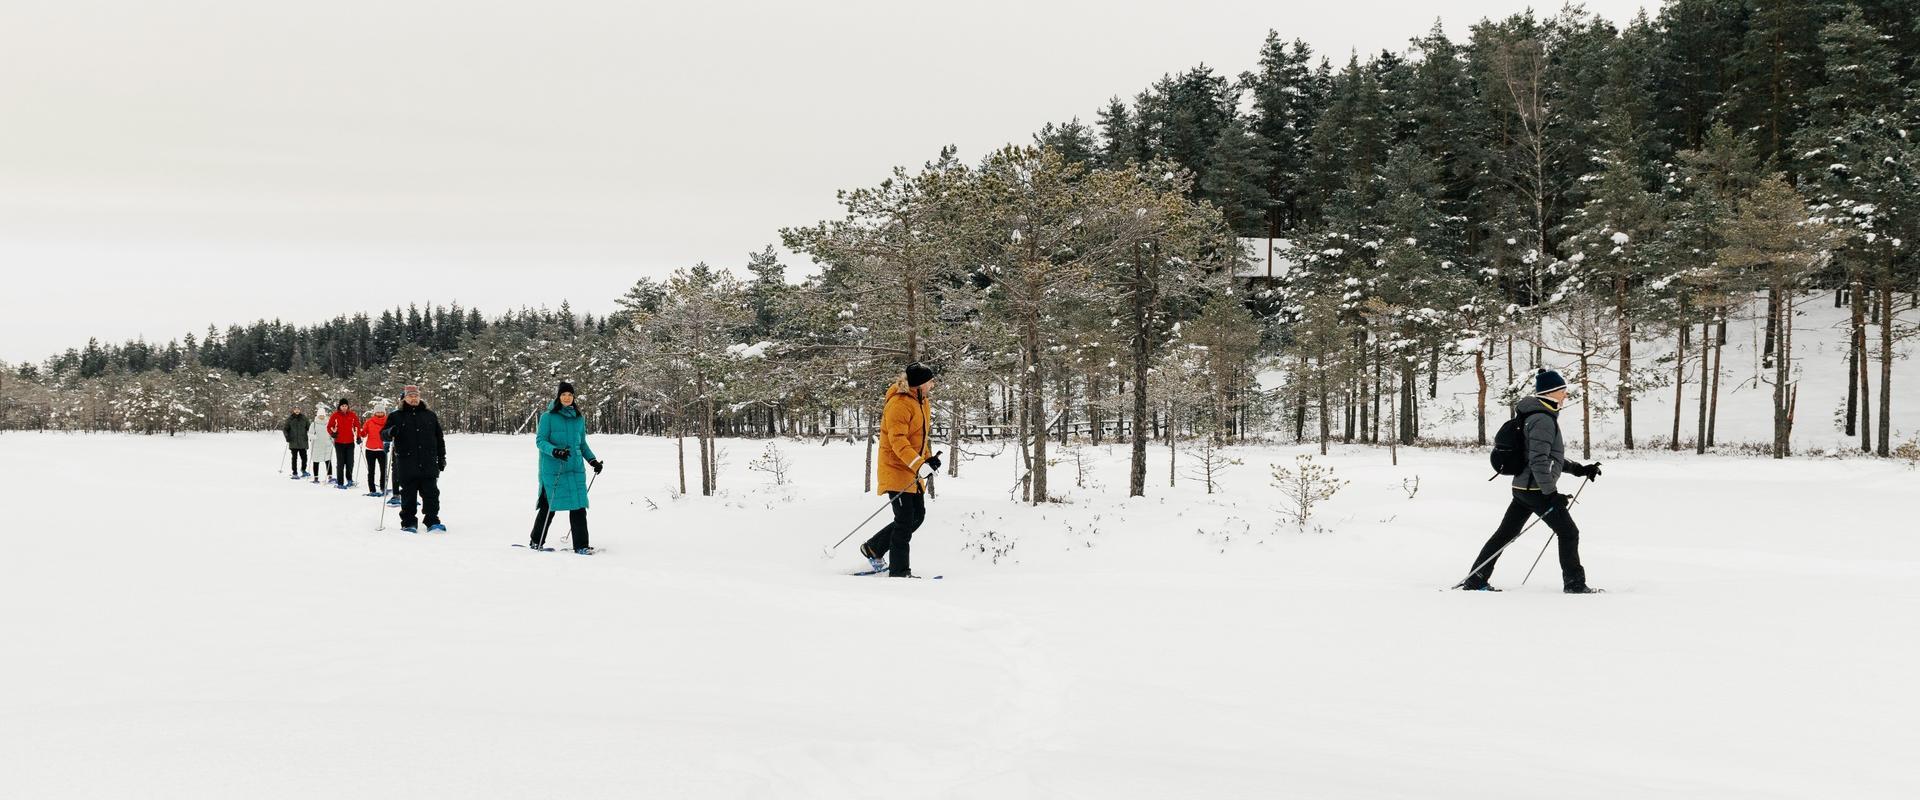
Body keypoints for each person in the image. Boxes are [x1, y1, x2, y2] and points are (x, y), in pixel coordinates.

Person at [1460, 370, 1604, 594]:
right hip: (1536, 490)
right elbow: (1539, 461)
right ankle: (1575, 584)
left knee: (1504, 534)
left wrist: (1578, 469)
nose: (1565, 395)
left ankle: (1476, 578)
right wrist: (1550, 494)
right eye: (1562, 390)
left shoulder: (1535, 415)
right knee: (1568, 532)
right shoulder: (1542, 420)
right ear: (1551, 392)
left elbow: (1546, 458)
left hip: (1522, 489)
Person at [860, 362, 941, 577]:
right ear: (919, 385)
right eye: (930, 381)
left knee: (917, 516)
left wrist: (928, 460)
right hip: (896, 468)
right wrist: (919, 464)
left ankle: (874, 548)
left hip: (912, 469)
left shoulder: (922, 402)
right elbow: (898, 442)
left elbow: (919, 438)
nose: (933, 384)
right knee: (905, 521)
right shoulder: (899, 404)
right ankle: (899, 571)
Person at [530, 381, 603, 554]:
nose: (567, 397)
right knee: (549, 506)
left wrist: (592, 461)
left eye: (570, 395)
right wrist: (555, 451)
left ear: (573, 397)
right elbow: (540, 441)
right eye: (564, 394)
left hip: (575, 469)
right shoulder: (548, 416)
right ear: (558, 396)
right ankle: (536, 540)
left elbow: (582, 444)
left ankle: (581, 546)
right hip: (554, 469)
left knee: (578, 507)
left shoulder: (579, 418)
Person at [383, 384, 446, 533]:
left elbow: (439, 438)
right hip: (406, 463)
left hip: (428, 462)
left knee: (431, 493)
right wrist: (390, 431)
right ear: (405, 398)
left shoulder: (430, 415)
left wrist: (441, 457)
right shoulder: (395, 416)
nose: (414, 398)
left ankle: (432, 520)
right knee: (408, 495)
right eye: (410, 396)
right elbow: (383, 434)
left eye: (416, 396)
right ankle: (409, 523)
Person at [326, 398, 361, 489]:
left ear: (348, 406)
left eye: (346, 406)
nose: (344, 407)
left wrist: (358, 437)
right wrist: (332, 433)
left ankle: (349, 479)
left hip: (350, 442)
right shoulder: (335, 415)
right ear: (340, 406)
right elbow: (329, 426)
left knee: (350, 462)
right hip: (339, 442)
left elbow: (357, 426)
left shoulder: (352, 415)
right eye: (342, 406)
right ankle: (340, 482)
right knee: (341, 463)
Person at [359, 401, 390, 497]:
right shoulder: (369, 421)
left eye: (381, 412)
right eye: (378, 412)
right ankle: (372, 489)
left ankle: (382, 487)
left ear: (384, 412)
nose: (380, 413)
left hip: (382, 449)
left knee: (383, 470)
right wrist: (360, 433)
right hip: (370, 450)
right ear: (374, 412)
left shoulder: (388, 422)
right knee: (371, 471)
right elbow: (364, 433)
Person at [308, 401, 336, 484]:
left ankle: (330, 476)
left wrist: (332, 439)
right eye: (320, 415)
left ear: (325, 415)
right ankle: (316, 478)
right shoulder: (314, 424)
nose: (321, 416)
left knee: (328, 460)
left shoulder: (328, 423)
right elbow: (310, 433)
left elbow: (332, 433)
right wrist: (313, 436)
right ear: (317, 415)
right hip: (316, 445)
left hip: (327, 444)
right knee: (316, 461)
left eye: (323, 415)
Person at [281, 404, 311, 478]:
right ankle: (294, 472)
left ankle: (303, 470)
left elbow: (309, 428)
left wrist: (311, 435)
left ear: (300, 410)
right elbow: (285, 429)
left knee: (304, 457)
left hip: (303, 441)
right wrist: (287, 437)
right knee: (294, 458)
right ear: (293, 410)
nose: (297, 410)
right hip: (293, 441)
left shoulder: (304, 418)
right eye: (295, 409)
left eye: (298, 409)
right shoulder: (290, 419)